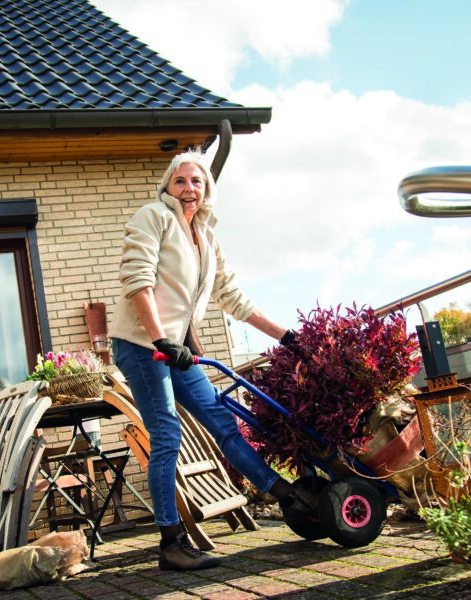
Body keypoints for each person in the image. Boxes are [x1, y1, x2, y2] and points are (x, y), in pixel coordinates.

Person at [109, 150, 317, 571]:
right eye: (181, 180)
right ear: (168, 186)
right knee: (167, 433)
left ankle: (290, 498)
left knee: (222, 420)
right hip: (141, 344)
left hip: (177, 348)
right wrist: (161, 339)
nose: (189, 188)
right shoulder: (153, 217)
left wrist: (287, 336)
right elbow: (137, 280)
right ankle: (171, 542)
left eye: (197, 182)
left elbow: (233, 298)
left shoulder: (206, 237)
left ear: (207, 191)